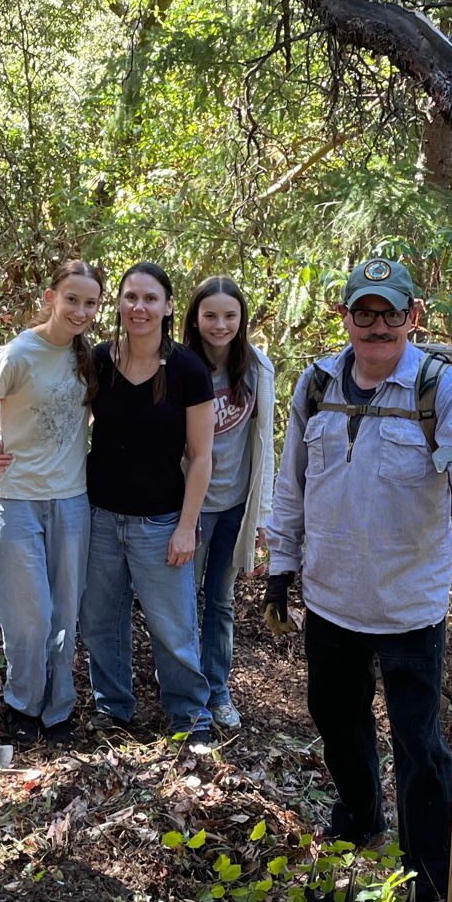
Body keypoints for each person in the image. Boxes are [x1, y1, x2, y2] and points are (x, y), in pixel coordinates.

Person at [266, 256, 452, 902]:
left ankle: (428, 880)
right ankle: (361, 817)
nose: (376, 326)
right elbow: (293, 482)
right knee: (335, 719)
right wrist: (282, 568)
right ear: (343, 317)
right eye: (363, 313)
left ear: (413, 317)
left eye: (390, 313)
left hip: (409, 605)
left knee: (420, 746)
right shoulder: (315, 384)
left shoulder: (442, 389)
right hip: (332, 596)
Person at [0, 261, 101, 743]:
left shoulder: (89, 359)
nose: (80, 310)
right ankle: (22, 703)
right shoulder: (16, 354)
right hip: (16, 500)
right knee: (27, 615)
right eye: (72, 299)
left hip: (72, 500)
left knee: (65, 612)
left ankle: (59, 710)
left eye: (90, 302)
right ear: (50, 297)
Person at [81, 261, 215, 738]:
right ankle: (113, 708)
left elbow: (200, 457)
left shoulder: (187, 370)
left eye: (150, 298)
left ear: (167, 306)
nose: (139, 307)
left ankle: (191, 717)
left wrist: (186, 525)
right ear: (119, 304)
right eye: (131, 297)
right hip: (98, 517)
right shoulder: (97, 360)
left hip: (160, 521)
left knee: (174, 629)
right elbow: (63, 423)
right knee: (99, 621)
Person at [181, 276, 276, 731]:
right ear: (195, 318)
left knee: (219, 600)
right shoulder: (178, 365)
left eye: (230, 316)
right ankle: (185, 692)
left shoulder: (257, 368)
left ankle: (217, 689)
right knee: (181, 600)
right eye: (211, 315)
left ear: (242, 320)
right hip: (188, 506)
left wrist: (263, 515)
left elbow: (265, 443)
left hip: (235, 504)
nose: (220, 324)